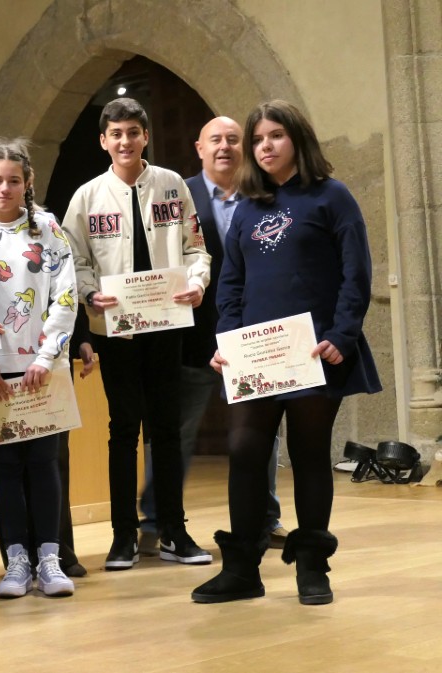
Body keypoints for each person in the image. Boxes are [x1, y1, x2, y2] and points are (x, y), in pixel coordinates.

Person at [192, 100, 381, 605]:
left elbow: (356, 274)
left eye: (274, 136)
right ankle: (242, 570)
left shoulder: (331, 198)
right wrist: (226, 341)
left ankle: (312, 568)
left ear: (297, 139)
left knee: (309, 453)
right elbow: (231, 282)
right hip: (255, 356)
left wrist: (341, 336)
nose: (264, 147)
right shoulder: (250, 206)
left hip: (315, 352)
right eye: (257, 139)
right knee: (245, 450)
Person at [60, 97, 212, 570]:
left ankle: (174, 532)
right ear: (103, 141)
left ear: (146, 136)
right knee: (123, 430)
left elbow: (196, 249)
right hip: (116, 331)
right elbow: (74, 261)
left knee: (166, 430)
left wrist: (197, 282)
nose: (125, 141)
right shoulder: (86, 197)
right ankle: (123, 537)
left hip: (167, 327)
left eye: (133, 132)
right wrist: (89, 293)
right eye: (116, 134)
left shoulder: (172, 186)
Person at [138, 117, 287, 553]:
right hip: (192, 337)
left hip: (255, 334)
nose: (224, 147)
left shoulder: (267, 197)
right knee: (174, 430)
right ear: (198, 147)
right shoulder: (174, 195)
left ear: (244, 148)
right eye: (215, 140)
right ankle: (155, 520)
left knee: (263, 432)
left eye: (233, 139)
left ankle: (266, 516)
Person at [0, 138, 77, 599]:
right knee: (6, 466)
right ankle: (16, 561)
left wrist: (47, 358)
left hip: (43, 368)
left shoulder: (47, 229)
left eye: (13, 180)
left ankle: (49, 557)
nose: (4, 188)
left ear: (27, 182)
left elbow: (64, 295)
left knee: (44, 463)